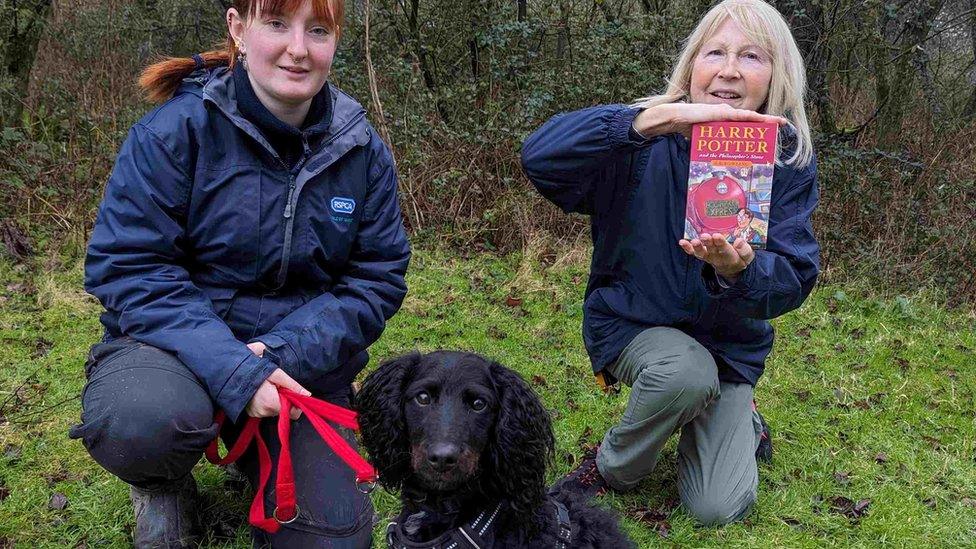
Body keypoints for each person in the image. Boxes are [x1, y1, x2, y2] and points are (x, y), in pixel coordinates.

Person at [69, 0, 410, 546]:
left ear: (335, 41)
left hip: (296, 368)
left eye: (317, 30)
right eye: (277, 24)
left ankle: (258, 450)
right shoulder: (174, 131)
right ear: (238, 29)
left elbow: (376, 279)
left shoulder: (362, 149)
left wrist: (281, 353)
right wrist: (234, 370)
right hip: (174, 351)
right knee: (141, 424)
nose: (298, 49)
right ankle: (163, 483)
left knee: (334, 537)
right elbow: (130, 266)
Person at [522, 0, 819, 526]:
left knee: (714, 508)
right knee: (683, 372)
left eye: (751, 56)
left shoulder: (785, 160)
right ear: (692, 65)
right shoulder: (639, 137)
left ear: (776, 76)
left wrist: (739, 270)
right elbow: (539, 157)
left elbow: (795, 277)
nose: (729, 69)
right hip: (634, 325)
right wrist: (654, 119)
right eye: (716, 52)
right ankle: (614, 467)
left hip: (728, 348)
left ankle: (742, 423)